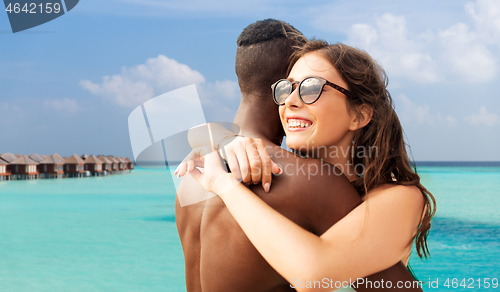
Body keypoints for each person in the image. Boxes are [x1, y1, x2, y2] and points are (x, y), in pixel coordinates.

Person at [175, 20, 427, 291]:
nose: (290, 100)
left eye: (310, 87)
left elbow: (314, 272)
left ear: (359, 114)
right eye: (287, 88)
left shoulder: (196, 175)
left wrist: (223, 179)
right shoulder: (309, 182)